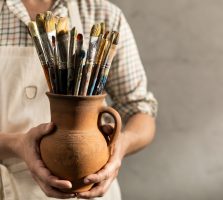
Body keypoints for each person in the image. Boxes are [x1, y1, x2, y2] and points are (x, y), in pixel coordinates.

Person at [0, 0, 158, 199]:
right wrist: (15, 145)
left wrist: (120, 146)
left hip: (91, 185)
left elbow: (140, 110)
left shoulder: (104, 14)